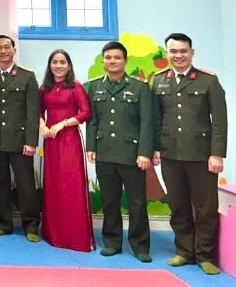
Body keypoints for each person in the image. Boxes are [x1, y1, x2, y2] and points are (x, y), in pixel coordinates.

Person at [152, 33, 227, 275]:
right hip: (170, 154)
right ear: (167, 54)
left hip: (201, 155)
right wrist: (154, 148)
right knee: (178, 205)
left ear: (191, 52)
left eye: (183, 51)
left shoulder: (208, 81)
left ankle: (205, 255)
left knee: (205, 208)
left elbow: (220, 121)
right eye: (173, 51)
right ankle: (184, 251)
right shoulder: (159, 81)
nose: (178, 55)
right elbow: (155, 119)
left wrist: (217, 154)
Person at [85, 41, 153, 263]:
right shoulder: (94, 87)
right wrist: (92, 147)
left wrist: (145, 152)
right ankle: (112, 242)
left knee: (137, 202)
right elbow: (93, 121)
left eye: (117, 57)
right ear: (103, 61)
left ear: (125, 61)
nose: (112, 61)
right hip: (104, 153)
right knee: (109, 201)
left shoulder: (140, 87)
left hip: (132, 155)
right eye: (108, 58)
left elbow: (147, 123)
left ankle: (140, 245)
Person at [0, 35, 40, 242]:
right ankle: (3, 224)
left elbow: (33, 112)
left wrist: (31, 141)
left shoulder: (26, 76)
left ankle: (31, 226)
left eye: (7, 47)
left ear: (14, 50)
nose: (3, 51)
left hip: (21, 140)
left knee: (26, 185)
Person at [38, 49, 94, 252]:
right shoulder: (45, 87)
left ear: (69, 66)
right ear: (50, 65)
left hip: (69, 140)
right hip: (50, 141)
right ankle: (54, 234)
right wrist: (42, 125)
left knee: (71, 184)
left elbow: (86, 112)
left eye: (63, 62)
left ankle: (75, 237)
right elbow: (37, 111)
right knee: (53, 185)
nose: (58, 66)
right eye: (55, 62)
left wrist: (61, 125)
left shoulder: (76, 86)